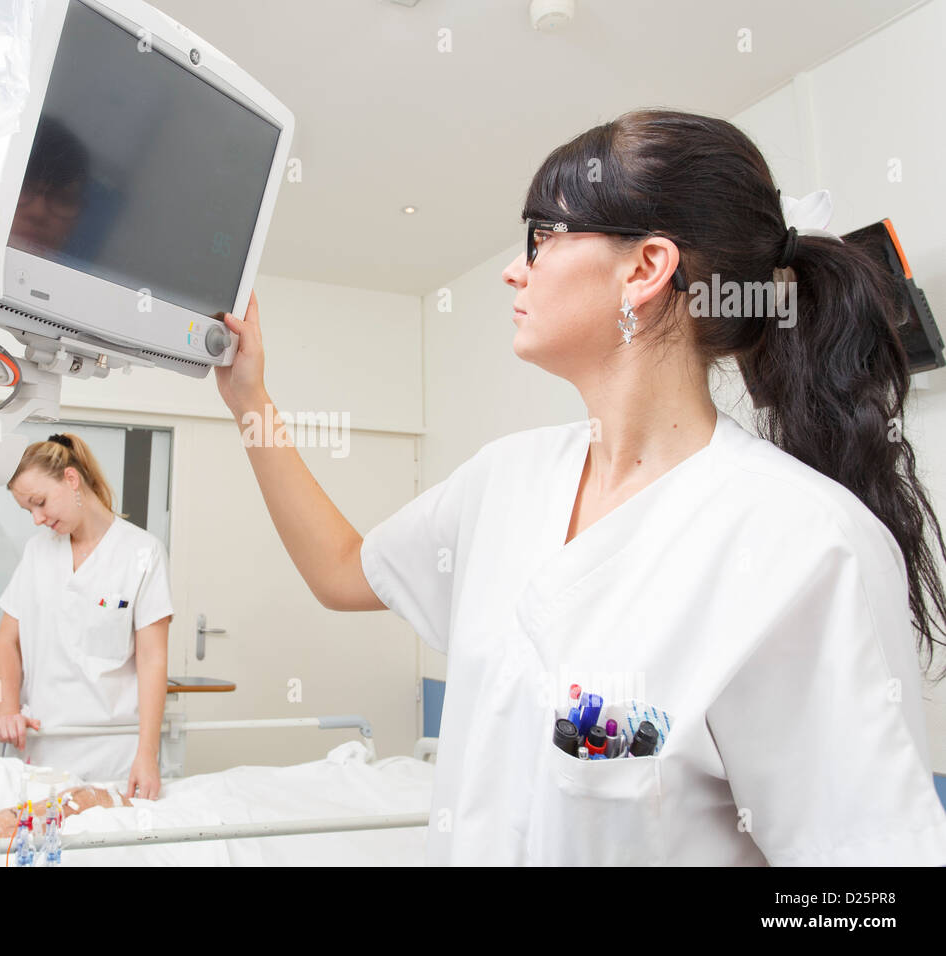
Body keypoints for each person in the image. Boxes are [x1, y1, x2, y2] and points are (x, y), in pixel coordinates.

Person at [213, 108, 946, 865]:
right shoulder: (505, 480)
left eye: (541, 235)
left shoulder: (803, 543)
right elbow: (341, 571)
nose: (513, 268)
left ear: (644, 268)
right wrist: (251, 402)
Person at [0, 432, 173, 800]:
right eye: (29, 510)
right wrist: (6, 708)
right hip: (41, 750)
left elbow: (153, 661)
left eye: (40, 503)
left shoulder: (142, 553)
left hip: (115, 757)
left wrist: (147, 755)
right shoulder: (37, 553)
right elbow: (6, 642)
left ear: (71, 480)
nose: (37, 519)